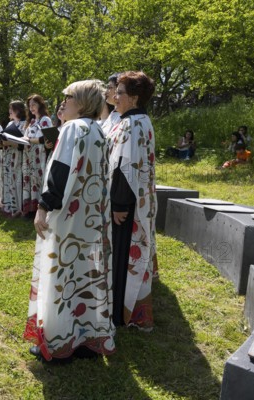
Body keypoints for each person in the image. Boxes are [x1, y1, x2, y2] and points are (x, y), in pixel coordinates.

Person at [25, 80, 115, 362]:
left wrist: (43, 206)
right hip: (91, 218)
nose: (63, 103)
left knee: (62, 275)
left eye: (69, 97)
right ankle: (87, 340)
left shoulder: (73, 128)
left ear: (83, 101)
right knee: (85, 275)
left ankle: (58, 342)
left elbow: (61, 171)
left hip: (69, 216)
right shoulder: (99, 130)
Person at [107, 70, 157, 331]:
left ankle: (119, 313)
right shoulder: (139, 120)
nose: (115, 95)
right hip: (136, 202)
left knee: (123, 257)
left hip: (127, 206)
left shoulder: (132, 124)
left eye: (120, 92)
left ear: (134, 98)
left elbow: (125, 168)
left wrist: (119, 205)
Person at [22, 94, 52, 217]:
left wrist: (29, 140)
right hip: (29, 155)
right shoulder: (32, 122)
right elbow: (26, 136)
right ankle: (30, 209)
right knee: (30, 181)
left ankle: (40, 209)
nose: (31, 107)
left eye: (34, 104)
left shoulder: (45, 120)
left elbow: (44, 138)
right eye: (29, 105)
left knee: (39, 180)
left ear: (40, 104)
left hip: (40, 155)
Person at [0, 101, 26, 217]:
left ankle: (19, 208)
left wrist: (9, 142)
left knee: (17, 180)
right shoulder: (10, 124)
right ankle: (9, 205)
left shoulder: (25, 124)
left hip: (18, 156)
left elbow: (23, 143)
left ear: (19, 110)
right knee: (8, 180)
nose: (10, 111)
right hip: (7, 155)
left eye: (12, 108)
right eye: (9, 108)